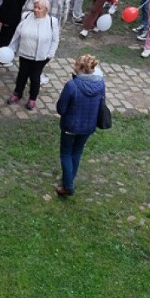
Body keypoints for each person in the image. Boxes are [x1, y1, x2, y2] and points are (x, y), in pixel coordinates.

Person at [54, 54, 107, 197]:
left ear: (79, 67)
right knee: (77, 152)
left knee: (66, 153)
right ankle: (69, 179)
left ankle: (68, 185)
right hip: (88, 127)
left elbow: (61, 109)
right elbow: (102, 104)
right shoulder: (100, 84)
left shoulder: (72, 85)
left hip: (70, 126)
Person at [7, 0, 60, 110]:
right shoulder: (26, 16)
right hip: (25, 53)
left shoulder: (52, 22)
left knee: (35, 77)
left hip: (40, 56)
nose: (35, 10)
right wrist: (12, 48)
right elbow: (17, 34)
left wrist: (50, 54)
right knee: (22, 74)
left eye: (39, 8)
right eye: (35, 7)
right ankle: (17, 93)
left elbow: (55, 40)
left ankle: (32, 98)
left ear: (46, 10)